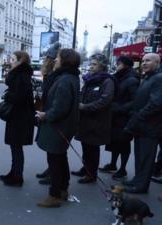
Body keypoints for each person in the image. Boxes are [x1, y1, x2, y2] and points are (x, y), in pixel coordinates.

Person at [36, 48, 81, 208]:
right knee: (61, 158)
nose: (55, 60)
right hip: (65, 126)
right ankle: (62, 189)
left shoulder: (64, 80)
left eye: (58, 58)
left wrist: (45, 115)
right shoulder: (71, 77)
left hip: (58, 127)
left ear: (65, 61)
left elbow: (60, 108)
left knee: (55, 160)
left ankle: (54, 195)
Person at [73, 53, 116, 184]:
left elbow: (104, 101)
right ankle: (86, 168)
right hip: (86, 120)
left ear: (102, 66)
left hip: (97, 121)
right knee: (86, 146)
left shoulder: (107, 81)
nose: (91, 66)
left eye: (94, 64)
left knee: (92, 148)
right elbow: (82, 94)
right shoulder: (89, 79)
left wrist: (85, 107)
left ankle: (91, 174)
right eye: (91, 63)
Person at [123, 53, 162, 193]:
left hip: (150, 126)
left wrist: (139, 115)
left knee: (146, 158)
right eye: (143, 60)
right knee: (140, 156)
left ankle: (141, 186)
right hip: (141, 125)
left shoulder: (158, 78)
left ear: (157, 62)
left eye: (148, 60)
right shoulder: (148, 77)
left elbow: (156, 103)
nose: (144, 63)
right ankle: (137, 181)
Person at [98, 56, 139, 181]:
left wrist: (120, 108)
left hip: (124, 117)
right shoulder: (118, 76)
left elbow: (135, 101)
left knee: (123, 143)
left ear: (126, 65)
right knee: (114, 142)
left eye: (119, 63)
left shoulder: (132, 79)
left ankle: (123, 169)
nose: (117, 65)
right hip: (115, 116)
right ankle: (113, 164)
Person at [0, 51, 35, 186]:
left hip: (21, 117)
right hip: (17, 116)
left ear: (21, 61)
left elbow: (21, 97)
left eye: (13, 59)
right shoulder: (20, 74)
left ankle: (17, 176)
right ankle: (14, 172)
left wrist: (6, 96)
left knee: (16, 147)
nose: (11, 61)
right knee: (15, 147)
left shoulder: (22, 76)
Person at [36, 42, 61, 186]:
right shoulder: (50, 75)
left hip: (50, 113)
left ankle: (53, 174)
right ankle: (50, 170)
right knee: (48, 145)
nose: (44, 61)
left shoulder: (53, 75)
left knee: (53, 147)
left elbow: (51, 95)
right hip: (47, 111)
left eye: (46, 58)